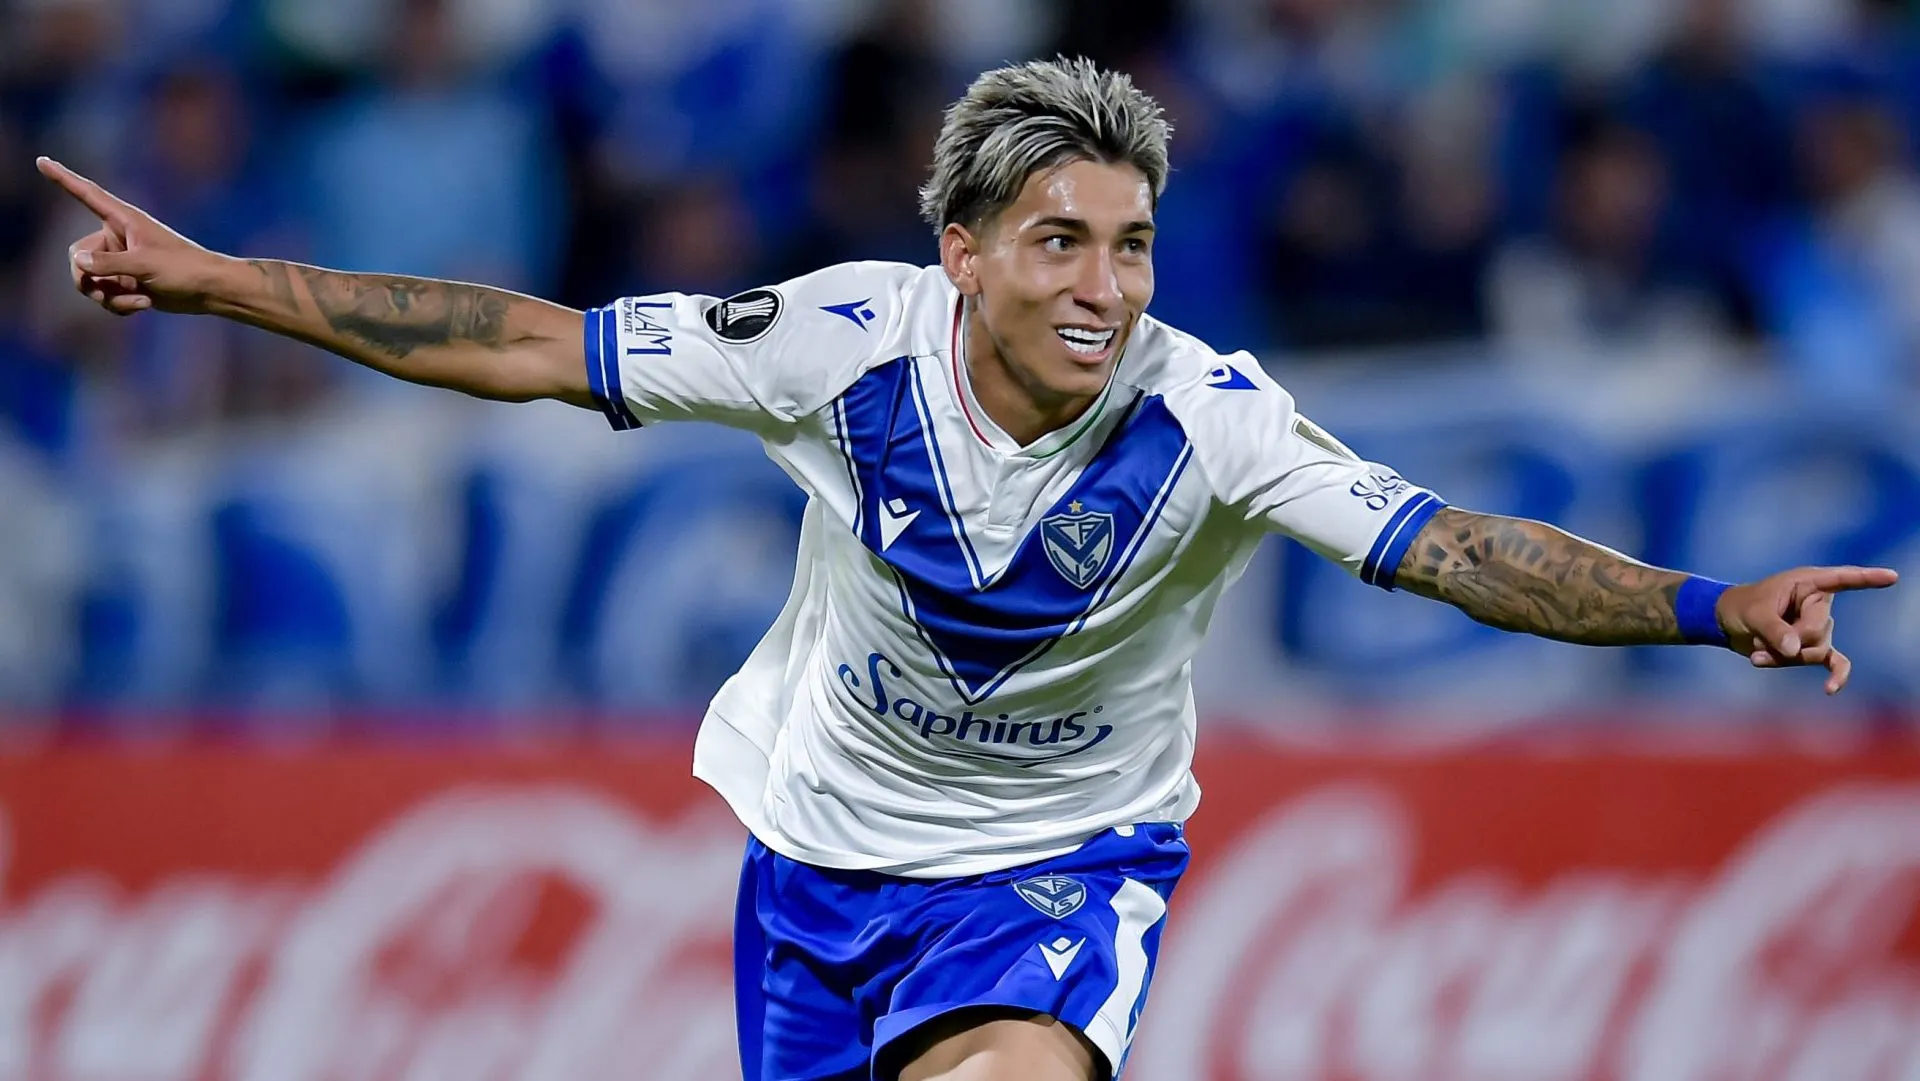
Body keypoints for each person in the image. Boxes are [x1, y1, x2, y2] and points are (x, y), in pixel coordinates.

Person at [37, 56, 1897, 1081]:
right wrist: (215, 281)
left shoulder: (1214, 418)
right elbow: (520, 340)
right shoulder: (838, 342)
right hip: (817, 865)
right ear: (961, 251)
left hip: (1052, 876)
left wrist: (1702, 604)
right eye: (1063, 240)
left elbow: (1451, 546)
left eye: (1138, 245)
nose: (1108, 287)